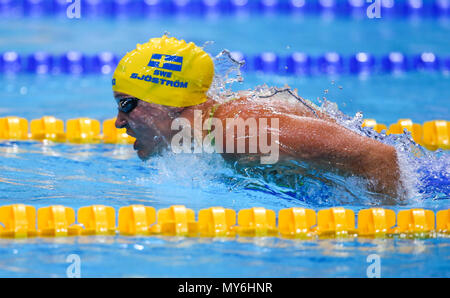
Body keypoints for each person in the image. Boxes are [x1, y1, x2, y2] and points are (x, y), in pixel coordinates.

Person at [112, 35, 404, 199]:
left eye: (126, 104)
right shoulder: (211, 133)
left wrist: (390, 231)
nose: (119, 121)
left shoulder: (238, 132)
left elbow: (378, 157)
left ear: (168, 102)